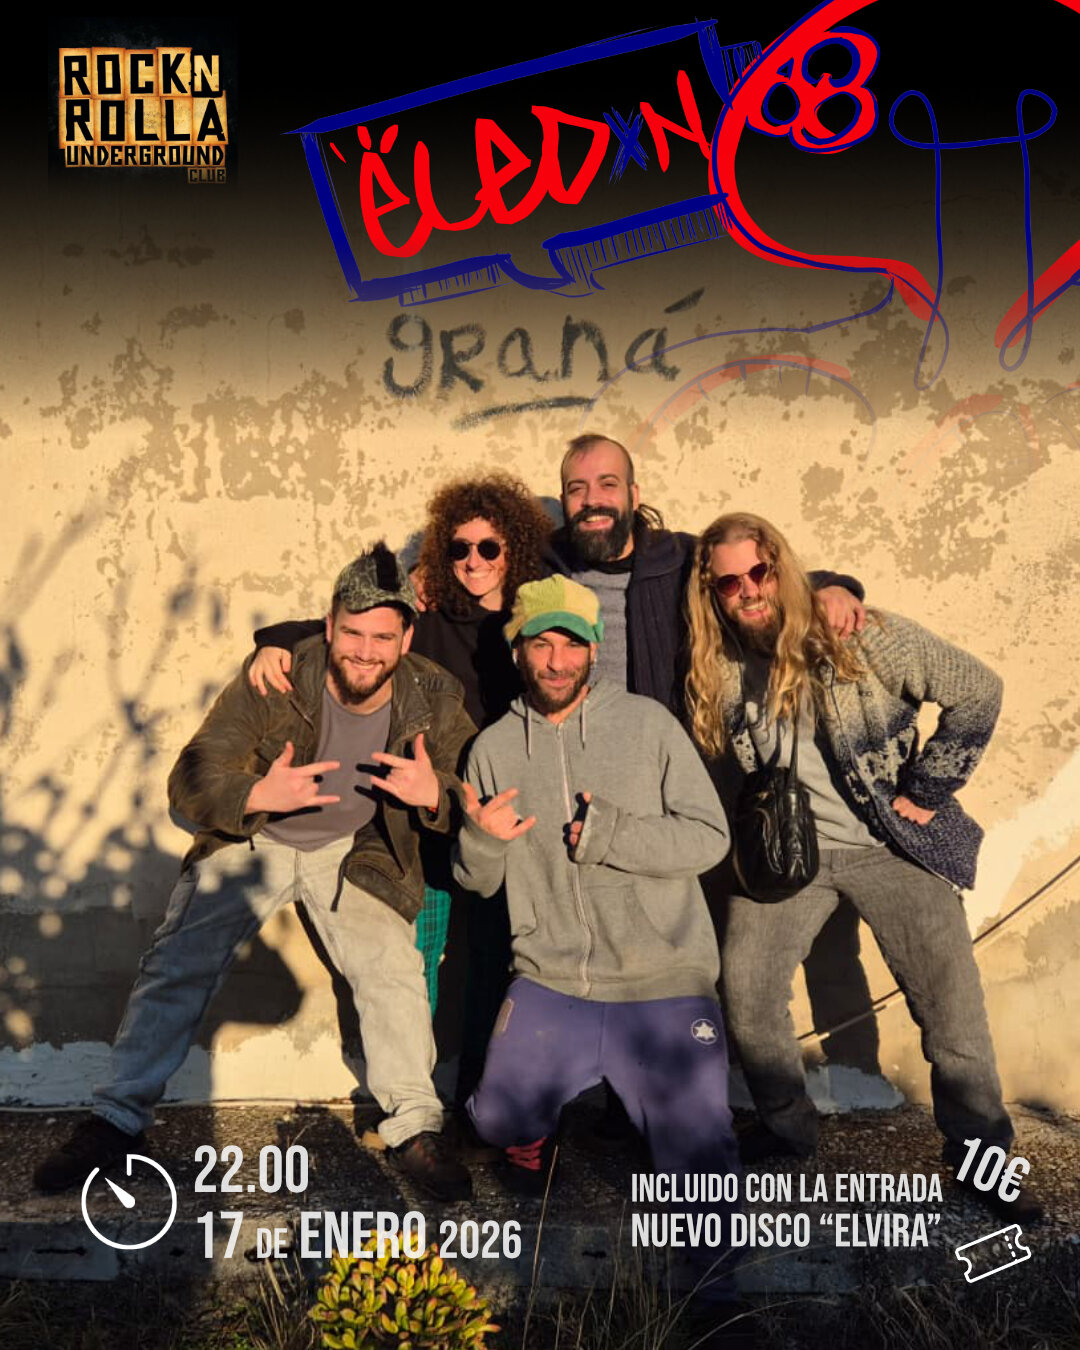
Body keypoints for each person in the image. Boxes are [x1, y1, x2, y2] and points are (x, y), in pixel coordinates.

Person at [33, 544, 475, 1202]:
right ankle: (116, 1120)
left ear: (405, 639)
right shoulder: (278, 677)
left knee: (391, 966)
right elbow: (191, 776)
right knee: (178, 961)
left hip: (355, 849)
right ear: (329, 626)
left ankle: (414, 1127)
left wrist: (434, 792)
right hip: (256, 837)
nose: (365, 652)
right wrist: (258, 794)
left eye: (383, 638)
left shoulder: (433, 694)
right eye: (352, 633)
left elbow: (473, 793)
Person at [683, 511, 1042, 1222]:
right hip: (789, 860)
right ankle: (787, 1129)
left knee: (951, 1013)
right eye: (728, 583)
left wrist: (927, 791)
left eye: (759, 572)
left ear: (780, 568)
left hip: (890, 845)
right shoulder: (719, 666)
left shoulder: (861, 635)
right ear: (711, 593)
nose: (748, 590)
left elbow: (979, 690)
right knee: (747, 997)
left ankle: (982, 1158)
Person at [453, 577, 738, 1265]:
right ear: (517, 650)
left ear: (594, 649)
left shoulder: (647, 724)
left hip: (662, 978)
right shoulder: (492, 748)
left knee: (700, 1159)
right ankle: (532, 1129)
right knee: (494, 1119)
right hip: (553, 979)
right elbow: (477, 882)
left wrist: (611, 835)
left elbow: (710, 838)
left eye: (572, 644)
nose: (557, 662)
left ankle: (717, 1300)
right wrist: (482, 841)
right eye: (541, 644)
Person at [247, 474, 553, 1091]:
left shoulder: (529, 622)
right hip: (423, 816)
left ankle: (480, 1094)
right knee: (417, 964)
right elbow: (349, 631)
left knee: (496, 961)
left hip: (497, 813)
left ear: (513, 548)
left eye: (488, 547)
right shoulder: (426, 617)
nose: (473, 561)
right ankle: (416, 1100)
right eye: (459, 548)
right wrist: (273, 643)